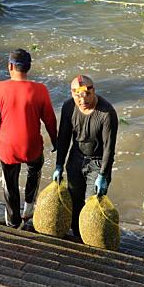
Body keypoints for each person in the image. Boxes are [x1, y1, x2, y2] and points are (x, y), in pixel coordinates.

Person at [0, 48, 57, 228]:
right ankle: (29, 208)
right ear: (28, 67)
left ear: (10, 66)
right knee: (34, 170)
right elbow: (50, 119)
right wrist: (55, 140)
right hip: (32, 146)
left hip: (8, 148)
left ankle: (13, 222)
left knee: (10, 183)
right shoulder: (40, 89)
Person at [52, 75, 118, 238]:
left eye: (88, 95)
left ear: (93, 91)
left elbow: (109, 148)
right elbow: (64, 138)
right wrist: (59, 165)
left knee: (91, 204)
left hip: (98, 162)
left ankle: (89, 238)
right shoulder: (68, 108)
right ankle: (77, 236)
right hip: (76, 159)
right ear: (72, 94)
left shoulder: (106, 113)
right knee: (74, 201)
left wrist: (103, 175)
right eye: (78, 97)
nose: (83, 101)